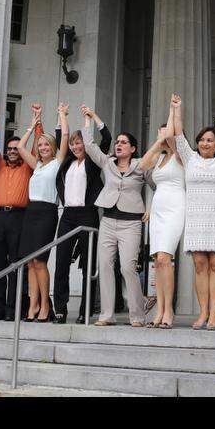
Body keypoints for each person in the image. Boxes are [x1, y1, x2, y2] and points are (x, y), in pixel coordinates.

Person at [170, 92, 215, 330]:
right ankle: (202, 313)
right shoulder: (189, 158)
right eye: (201, 140)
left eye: (210, 140)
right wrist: (177, 109)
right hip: (196, 218)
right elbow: (178, 135)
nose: (205, 143)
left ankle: (214, 314)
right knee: (200, 264)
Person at [85, 114, 153, 327]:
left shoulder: (141, 165)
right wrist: (90, 118)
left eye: (124, 142)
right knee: (105, 266)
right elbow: (89, 145)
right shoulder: (108, 163)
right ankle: (107, 315)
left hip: (131, 223)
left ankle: (137, 315)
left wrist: (151, 207)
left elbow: (158, 186)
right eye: (117, 142)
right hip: (108, 220)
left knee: (127, 268)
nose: (119, 145)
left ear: (133, 148)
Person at [0, 103, 44, 321]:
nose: (11, 152)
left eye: (16, 149)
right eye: (9, 149)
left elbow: (37, 146)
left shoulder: (27, 166)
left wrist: (37, 121)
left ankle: (12, 308)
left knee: (17, 263)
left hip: (20, 217)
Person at [51, 104, 110, 323]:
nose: (76, 147)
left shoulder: (93, 162)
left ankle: (86, 309)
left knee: (88, 264)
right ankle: (60, 308)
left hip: (88, 214)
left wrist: (92, 117)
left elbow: (106, 139)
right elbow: (61, 138)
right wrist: (61, 115)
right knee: (61, 262)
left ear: (86, 144)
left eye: (80, 143)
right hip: (68, 215)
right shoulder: (67, 162)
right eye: (74, 144)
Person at [15, 103, 69, 322]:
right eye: (40, 145)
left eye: (47, 144)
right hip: (31, 212)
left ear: (53, 147)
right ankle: (33, 305)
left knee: (40, 261)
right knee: (30, 262)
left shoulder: (57, 162)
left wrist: (62, 115)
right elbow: (20, 147)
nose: (43, 147)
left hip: (47, 213)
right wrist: (32, 124)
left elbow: (65, 136)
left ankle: (46, 305)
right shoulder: (36, 165)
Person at [138, 101, 185, 329]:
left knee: (166, 258)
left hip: (175, 207)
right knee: (158, 261)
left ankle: (169, 311)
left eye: (165, 132)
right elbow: (141, 165)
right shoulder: (158, 158)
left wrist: (173, 111)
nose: (162, 135)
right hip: (158, 209)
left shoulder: (180, 154)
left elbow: (174, 134)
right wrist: (158, 142)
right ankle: (160, 310)